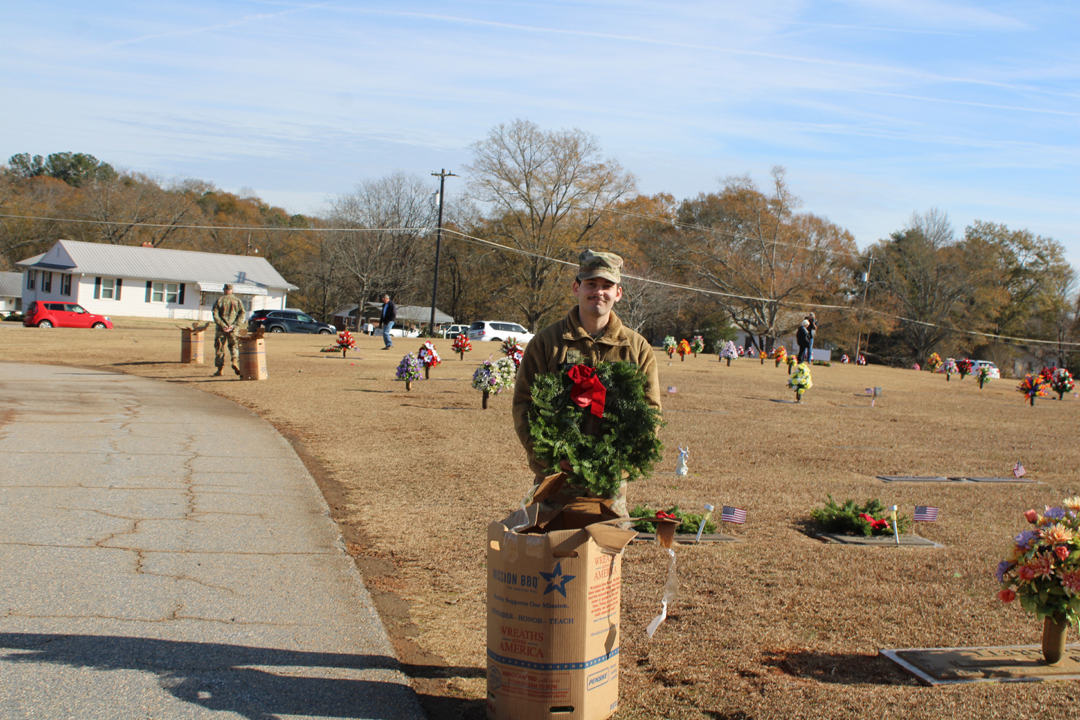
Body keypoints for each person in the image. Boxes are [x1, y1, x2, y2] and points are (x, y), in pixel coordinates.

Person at [512, 249, 662, 517]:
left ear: (619, 293)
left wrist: (622, 465)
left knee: (606, 552)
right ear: (576, 287)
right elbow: (524, 405)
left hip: (610, 483)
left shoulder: (636, 348)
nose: (598, 292)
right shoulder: (547, 343)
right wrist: (550, 458)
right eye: (591, 284)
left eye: (607, 286)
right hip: (557, 478)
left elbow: (650, 412)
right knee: (548, 549)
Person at [212, 284, 245, 376]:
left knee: (220, 348)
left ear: (224, 290)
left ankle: (220, 369)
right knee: (234, 346)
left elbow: (215, 315)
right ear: (232, 290)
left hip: (220, 329)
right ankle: (235, 361)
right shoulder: (238, 301)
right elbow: (242, 314)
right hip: (233, 329)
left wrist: (223, 325)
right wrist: (233, 326)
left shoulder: (219, 300)